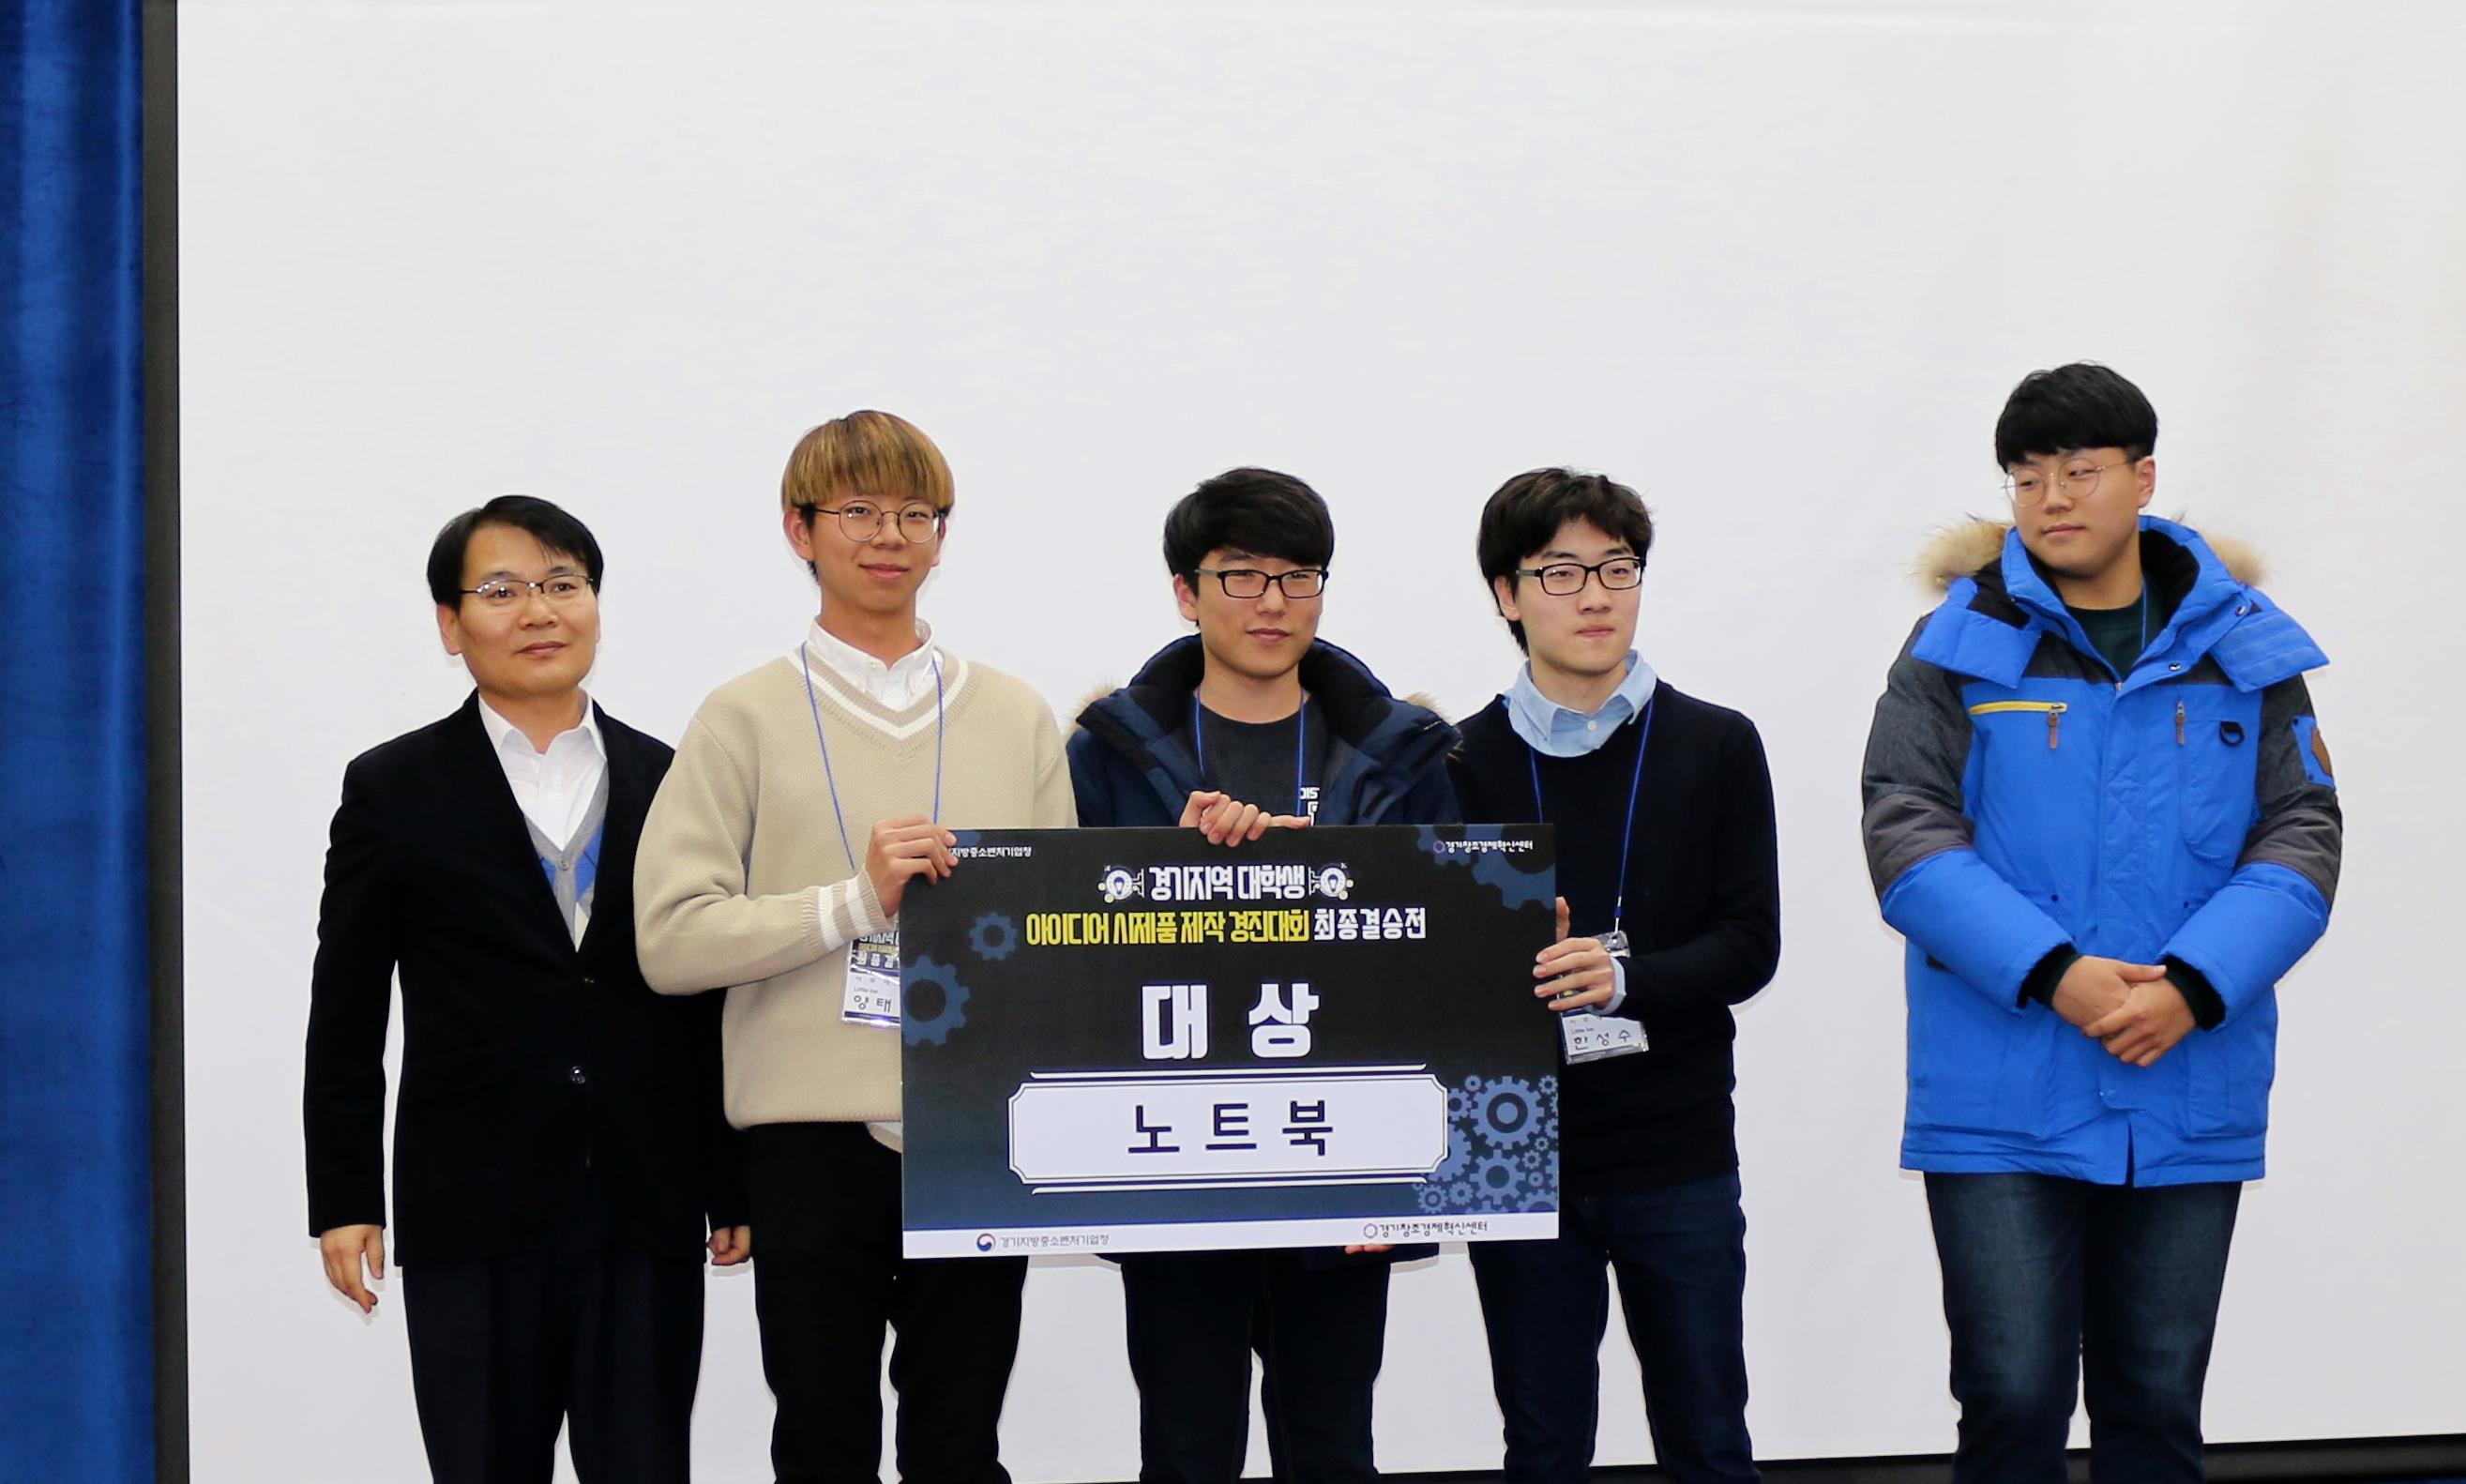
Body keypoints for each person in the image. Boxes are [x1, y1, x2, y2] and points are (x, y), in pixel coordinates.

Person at [1860, 363, 2342, 1482]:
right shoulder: (1956, 643)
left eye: (2079, 471)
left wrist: (2194, 985)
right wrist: (2052, 971)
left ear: (2144, 478)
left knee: (2157, 1399)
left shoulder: (2242, 645)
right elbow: (1904, 828)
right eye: (2027, 478)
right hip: (2003, 1080)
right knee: (2011, 1394)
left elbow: (2304, 832)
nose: (2052, 498)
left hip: (2185, 1070)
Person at [632, 411, 1075, 1483]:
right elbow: (670, 939)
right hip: (807, 1141)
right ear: (800, 530)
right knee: (823, 1441)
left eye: (915, 513)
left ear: (941, 536)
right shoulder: (740, 716)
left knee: (960, 1445)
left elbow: (1061, 940)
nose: (889, 535)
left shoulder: (1016, 713)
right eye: (859, 511)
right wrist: (850, 904)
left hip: (977, 1128)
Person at [303, 494, 745, 1483]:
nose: (540, 611)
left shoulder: (673, 778)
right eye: (502, 591)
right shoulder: (393, 787)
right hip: (470, 1207)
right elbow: (346, 1008)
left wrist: (729, 1180)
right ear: (450, 624)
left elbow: (709, 997)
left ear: (595, 604)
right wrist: (344, 1196)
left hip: (643, 1202)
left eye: (562, 584)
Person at [1067, 466, 1458, 1484]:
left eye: (1298, 576)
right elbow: (1063, 960)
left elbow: (1439, 967)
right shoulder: (1107, 758)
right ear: (1185, 592)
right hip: (1172, 1167)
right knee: (1186, 1450)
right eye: (1240, 575)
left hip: (1343, 1159)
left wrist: (1404, 1186)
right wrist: (1171, 863)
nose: (1272, 602)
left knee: (1333, 1448)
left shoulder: (1399, 751)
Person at [1446, 468, 1778, 1482]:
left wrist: (1626, 978)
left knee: (1708, 1438)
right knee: (1543, 1445)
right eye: (1560, 572)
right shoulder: (1455, 761)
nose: (1594, 595)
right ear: (1506, 594)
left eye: (1617, 568)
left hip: (1677, 1148)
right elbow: (1424, 974)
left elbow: (1749, 944)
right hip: (1515, 1153)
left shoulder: (1716, 743)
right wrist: (1502, 960)